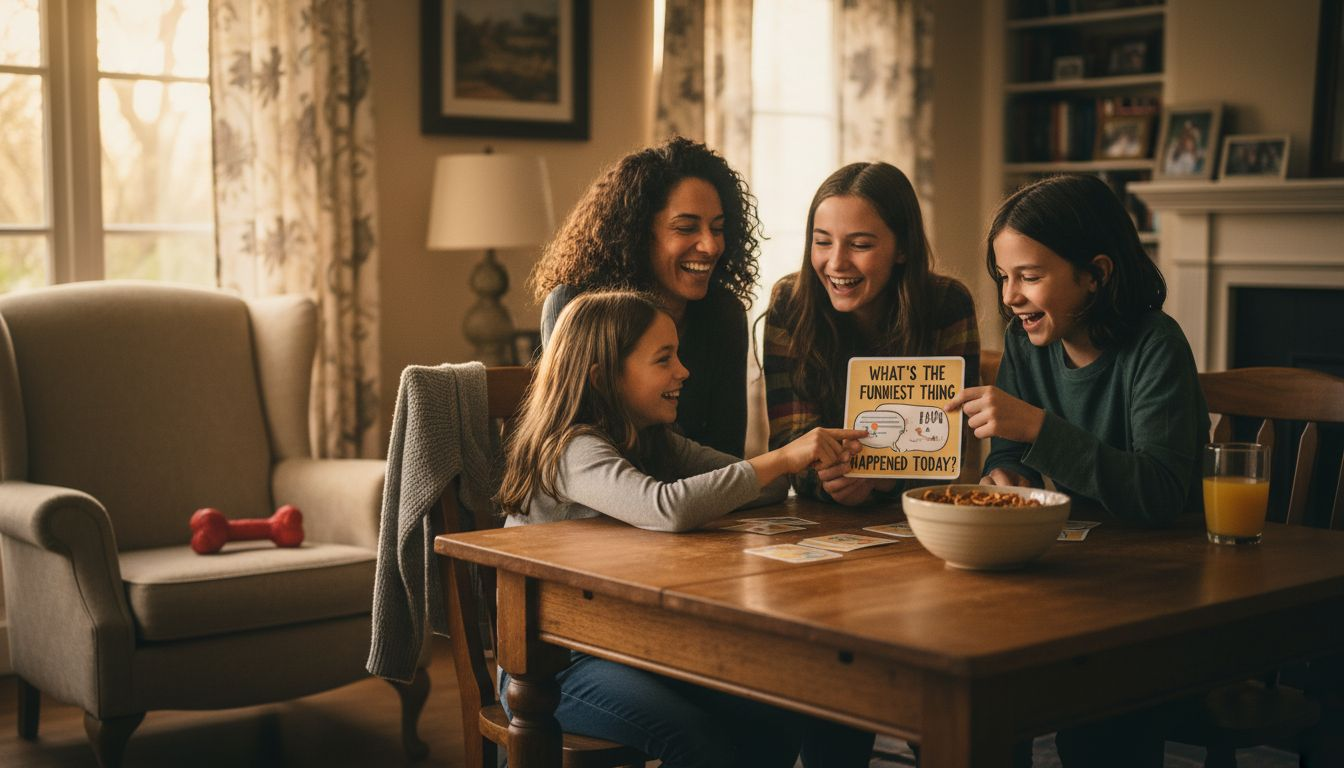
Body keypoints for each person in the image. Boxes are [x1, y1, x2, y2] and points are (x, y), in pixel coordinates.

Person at [497, 290, 865, 767]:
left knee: (777, 713)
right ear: (603, 377)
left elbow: (762, 487)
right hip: (554, 667)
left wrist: (791, 465)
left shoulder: (655, 441)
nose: (684, 371)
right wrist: (782, 458)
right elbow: (664, 508)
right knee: (695, 740)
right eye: (664, 359)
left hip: (625, 642)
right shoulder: (572, 449)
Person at [946, 173, 1210, 768]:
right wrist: (1003, 478)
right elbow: (1010, 454)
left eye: (1030, 277)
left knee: (1100, 728)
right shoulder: (1025, 343)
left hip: (1154, 601)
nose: (1011, 296)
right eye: (1003, 277)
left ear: (1096, 273)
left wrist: (1039, 428)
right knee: (983, 685)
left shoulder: (1155, 346)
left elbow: (1163, 493)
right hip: (1064, 583)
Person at [764, 161, 980, 507]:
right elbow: (788, 444)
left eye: (860, 245)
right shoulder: (791, 302)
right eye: (822, 242)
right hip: (820, 515)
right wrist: (828, 479)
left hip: (915, 515)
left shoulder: (947, 305)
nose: (836, 263)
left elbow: (949, 451)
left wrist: (887, 479)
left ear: (903, 249)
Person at [529, 136, 762, 457]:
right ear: (638, 233)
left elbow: (727, 453)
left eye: (718, 229)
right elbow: (575, 450)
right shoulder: (575, 305)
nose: (711, 246)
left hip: (702, 501)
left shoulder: (724, 315)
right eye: (686, 228)